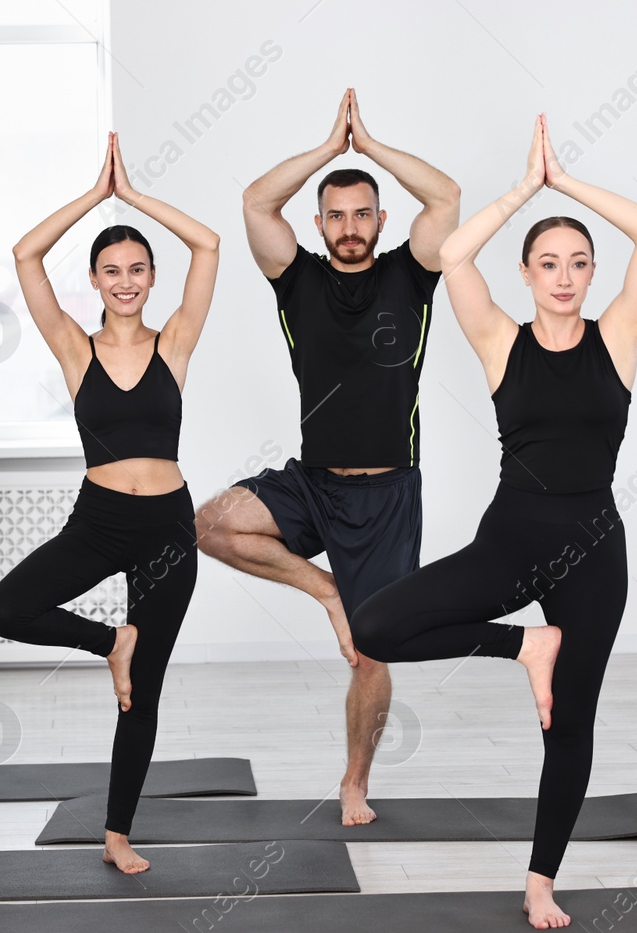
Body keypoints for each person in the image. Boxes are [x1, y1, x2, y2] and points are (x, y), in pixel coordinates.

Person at [351, 114, 637, 929]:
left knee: (570, 721)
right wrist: (526, 189)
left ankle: (540, 878)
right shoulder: (500, 340)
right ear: (526, 273)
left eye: (578, 263)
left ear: (592, 272)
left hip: (594, 550)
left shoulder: (620, 338)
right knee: (378, 625)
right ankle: (526, 644)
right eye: (549, 263)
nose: (564, 277)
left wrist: (568, 185)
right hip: (513, 539)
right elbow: (454, 254)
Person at [194, 89, 459, 826]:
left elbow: (448, 196)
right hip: (314, 484)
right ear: (318, 224)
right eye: (335, 215)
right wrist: (326, 148)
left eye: (362, 213)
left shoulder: (413, 274)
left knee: (373, 656)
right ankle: (328, 592)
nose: (349, 227)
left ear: (381, 220)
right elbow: (254, 203)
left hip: (387, 497)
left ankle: (353, 781)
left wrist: (368, 147)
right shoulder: (298, 280)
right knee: (209, 523)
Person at [0, 133, 217, 874]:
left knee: (140, 696)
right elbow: (24, 254)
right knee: (6, 607)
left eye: (137, 269)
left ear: (151, 278)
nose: (124, 281)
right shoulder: (73, 347)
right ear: (94, 277)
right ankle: (105, 641)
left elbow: (207, 246)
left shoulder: (174, 341)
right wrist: (95, 196)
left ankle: (118, 833)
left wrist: (134, 194)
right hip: (100, 520)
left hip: (168, 531)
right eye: (111, 270)